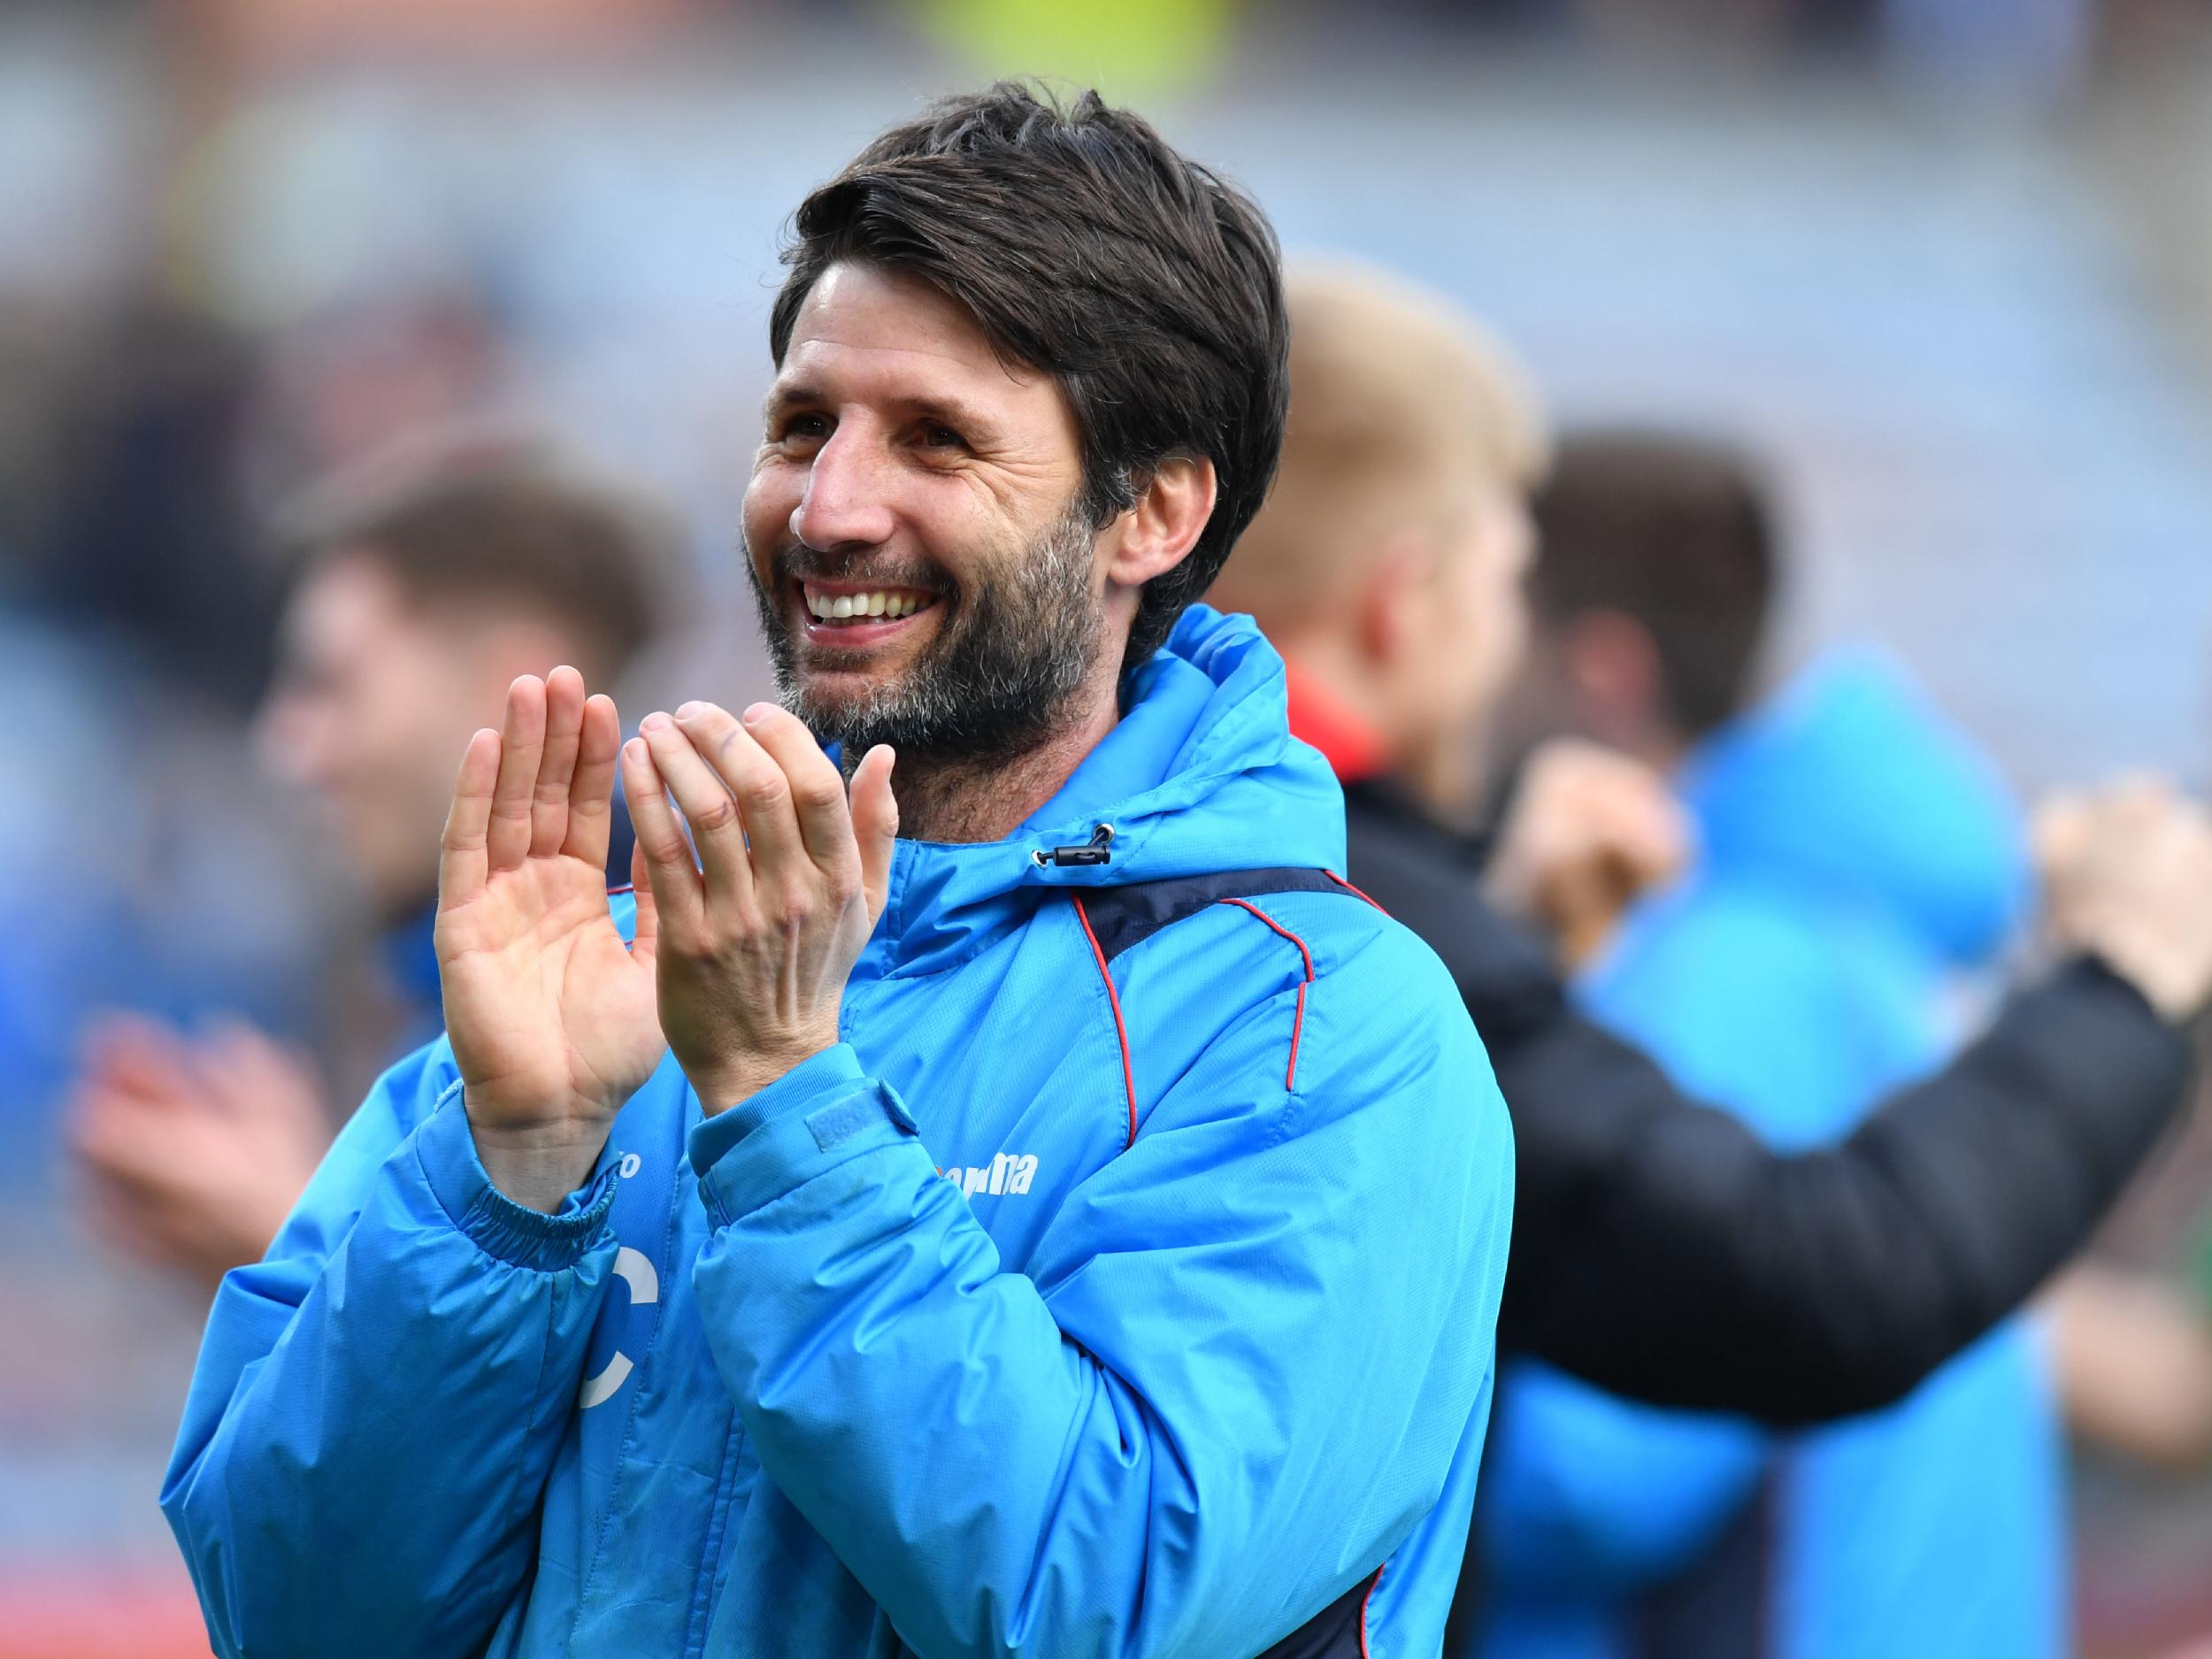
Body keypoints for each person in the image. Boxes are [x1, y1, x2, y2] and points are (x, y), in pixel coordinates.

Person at [162, 86, 1515, 1659]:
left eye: (936, 440)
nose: (830, 509)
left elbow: (1109, 1605)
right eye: (802, 426)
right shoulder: (610, 988)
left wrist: (786, 1097)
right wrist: (516, 1178)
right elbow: (294, 1616)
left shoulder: (1320, 1030)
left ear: (1153, 509)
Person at [1209, 260, 2212, 1430]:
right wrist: (2127, 975)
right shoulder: (1344, 918)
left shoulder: (1124, 846)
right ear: (1402, 599)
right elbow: (1781, 1298)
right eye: (1505, 578)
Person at [1473, 431, 2063, 1659]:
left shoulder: (1720, 974)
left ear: (1603, 676)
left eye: (1495, 624)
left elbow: (1596, 1479)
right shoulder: (1839, 927)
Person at [73, 447, 671, 1286]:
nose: (284, 747)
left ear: (513, 685)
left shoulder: (672, 1026)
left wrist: (295, 1237)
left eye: (332, 684)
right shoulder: (434, 1004)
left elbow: (577, 1394)